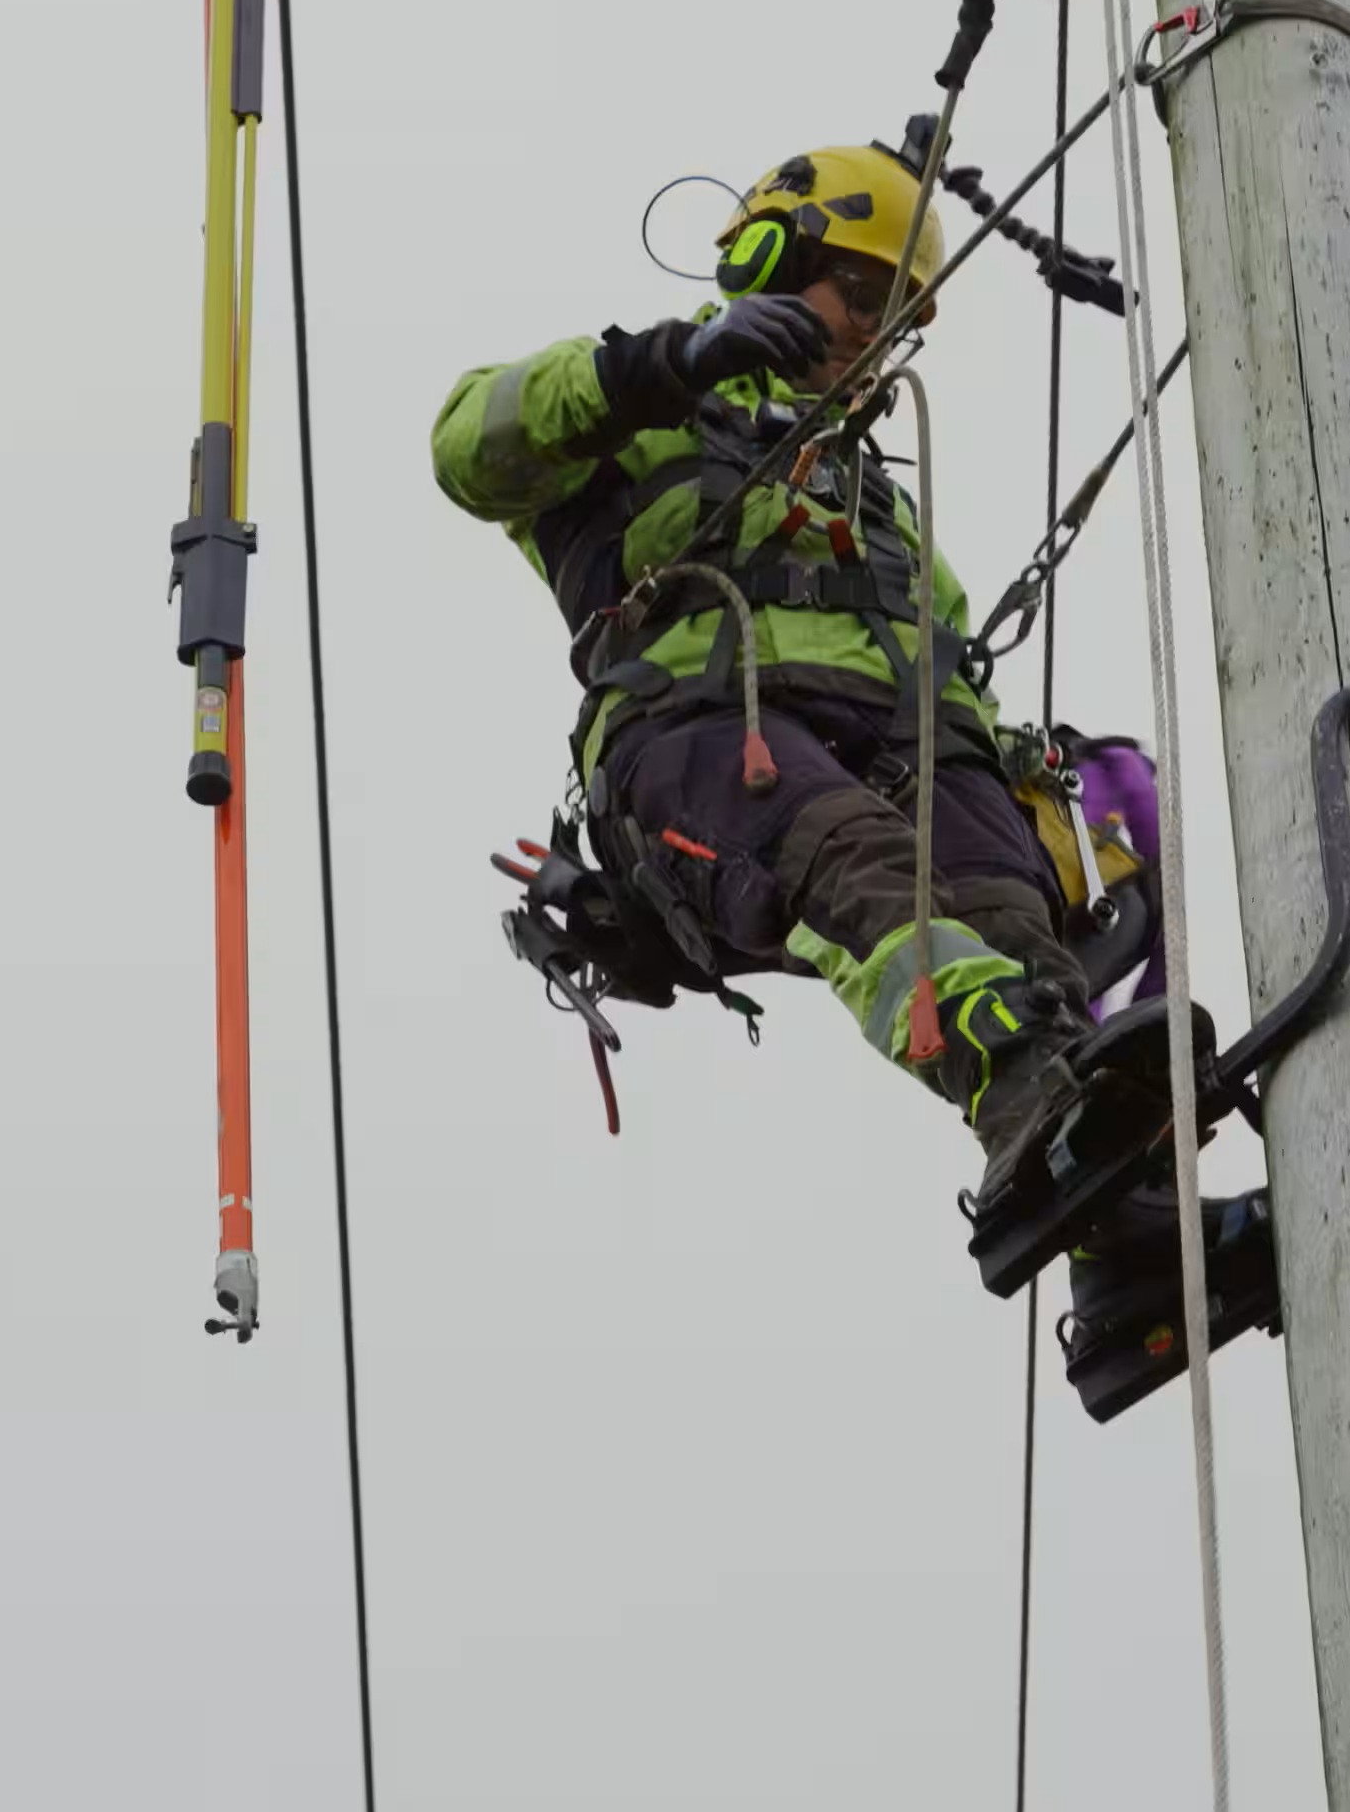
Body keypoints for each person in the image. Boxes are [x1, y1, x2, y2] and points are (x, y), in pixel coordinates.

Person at [430, 137, 1197, 1296]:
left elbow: (948, 671)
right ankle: (1007, 1068)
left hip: (900, 746)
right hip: (701, 743)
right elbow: (466, 445)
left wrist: (1031, 791)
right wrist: (671, 364)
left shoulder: (876, 505)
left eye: (902, 317)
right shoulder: (645, 416)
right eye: (864, 296)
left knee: (1008, 911)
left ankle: (1121, 1245)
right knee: (850, 857)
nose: (877, 335)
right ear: (776, 257)